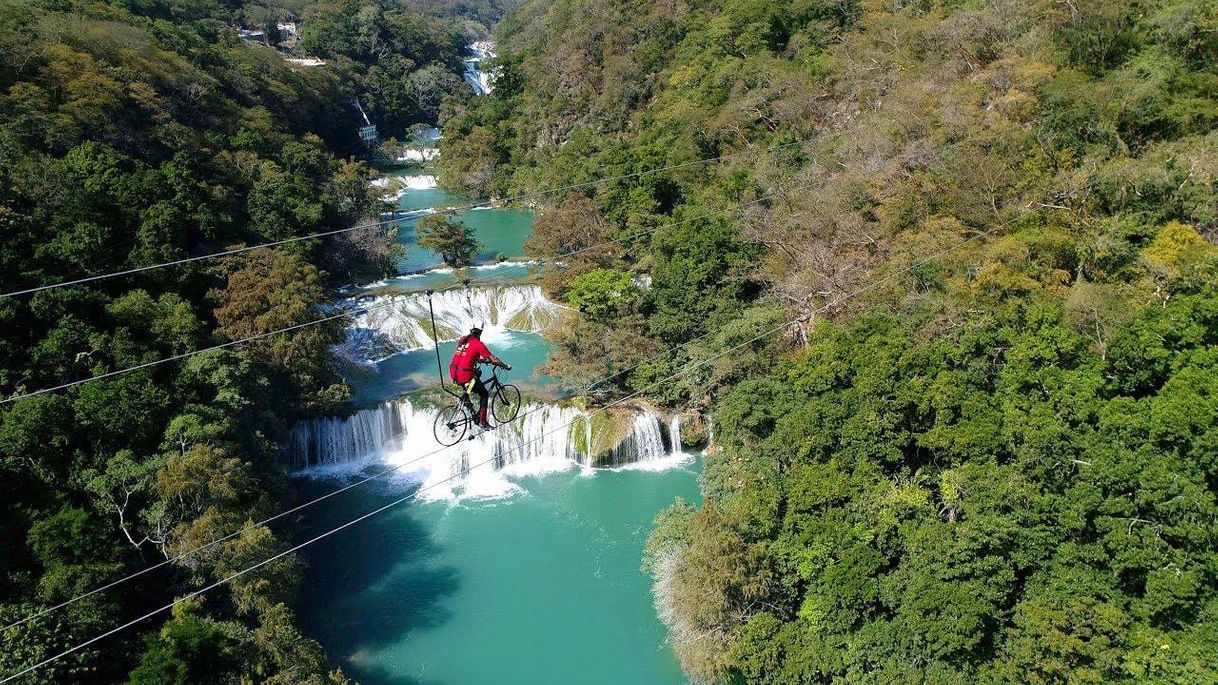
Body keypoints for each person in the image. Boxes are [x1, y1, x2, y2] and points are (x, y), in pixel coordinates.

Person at [449, 327, 511, 429]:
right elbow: (493, 359)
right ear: (479, 335)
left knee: (475, 377)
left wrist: (484, 361)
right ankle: (483, 422)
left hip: (454, 373)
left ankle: (468, 405)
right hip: (465, 375)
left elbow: (469, 356)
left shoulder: (463, 341)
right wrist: (505, 366)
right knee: (484, 394)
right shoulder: (478, 344)